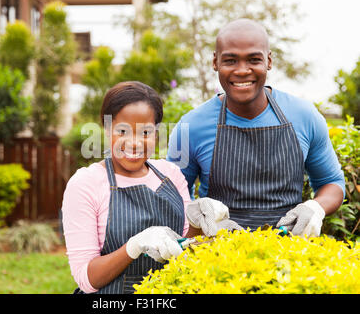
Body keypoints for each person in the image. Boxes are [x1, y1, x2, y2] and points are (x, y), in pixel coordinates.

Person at [167, 18, 345, 238]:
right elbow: (171, 197)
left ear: (269, 61)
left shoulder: (304, 116)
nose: (242, 71)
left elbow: (332, 183)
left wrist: (315, 208)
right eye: (230, 60)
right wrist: (197, 216)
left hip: (291, 259)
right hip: (214, 259)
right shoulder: (188, 127)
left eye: (254, 59)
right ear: (215, 62)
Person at [62, 81, 203, 294]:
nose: (134, 143)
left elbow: (188, 248)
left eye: (145, 132)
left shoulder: (170, 174)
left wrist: (200, 221)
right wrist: (133, 247)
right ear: (107, 129)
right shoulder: (86, 183)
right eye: (122, 131)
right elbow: (87, 278)